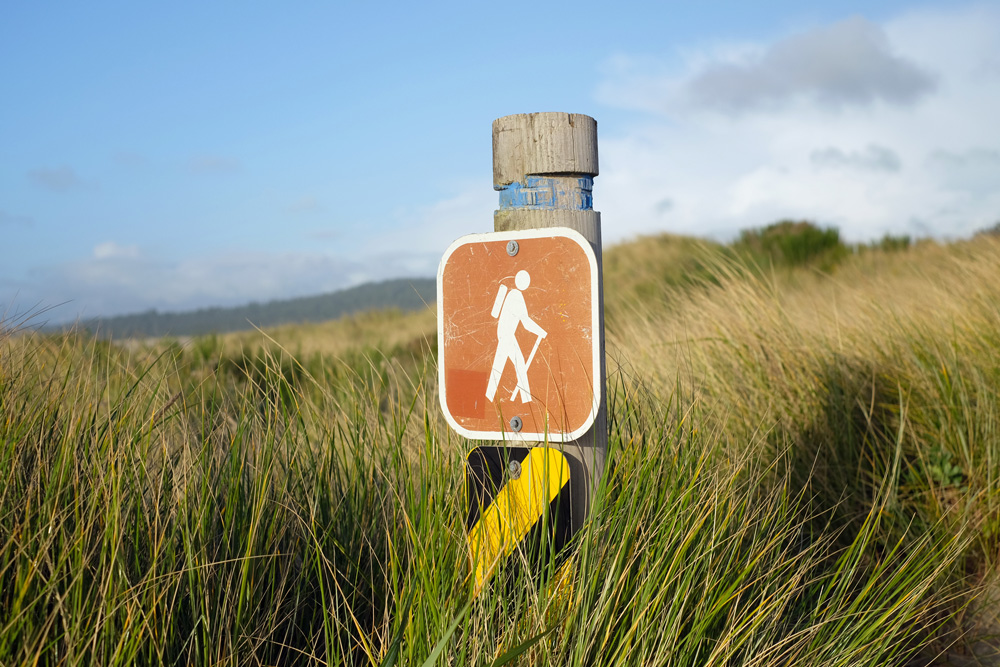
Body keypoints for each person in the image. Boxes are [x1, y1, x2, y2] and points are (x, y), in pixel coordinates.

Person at [485, 270, 547, 403]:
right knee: (511, 365)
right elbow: (526, 323)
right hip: (506, 335)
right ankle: (526, 400)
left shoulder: (513, 293)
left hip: (505, 334)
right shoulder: (516, 296)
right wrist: (541, 332)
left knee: (506, 366)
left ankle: (522, 399)